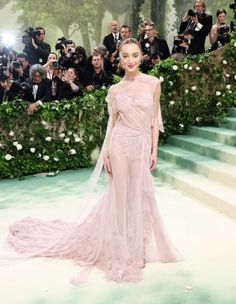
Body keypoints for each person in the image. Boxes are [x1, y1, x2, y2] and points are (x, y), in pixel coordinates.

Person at [8, 38, 182, 283]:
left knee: (139, 194)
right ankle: (123, 251)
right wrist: (107, 152)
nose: (130, 60)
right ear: (119, 59)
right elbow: (112, 126)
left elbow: (155, 122)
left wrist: (154, 151)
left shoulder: (153, 83)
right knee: (120, 197)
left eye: (134, 55)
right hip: (120, 146)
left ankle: (138, 248)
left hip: (141, 147)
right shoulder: (115, 90)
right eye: (125, 56)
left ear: (141, 56)